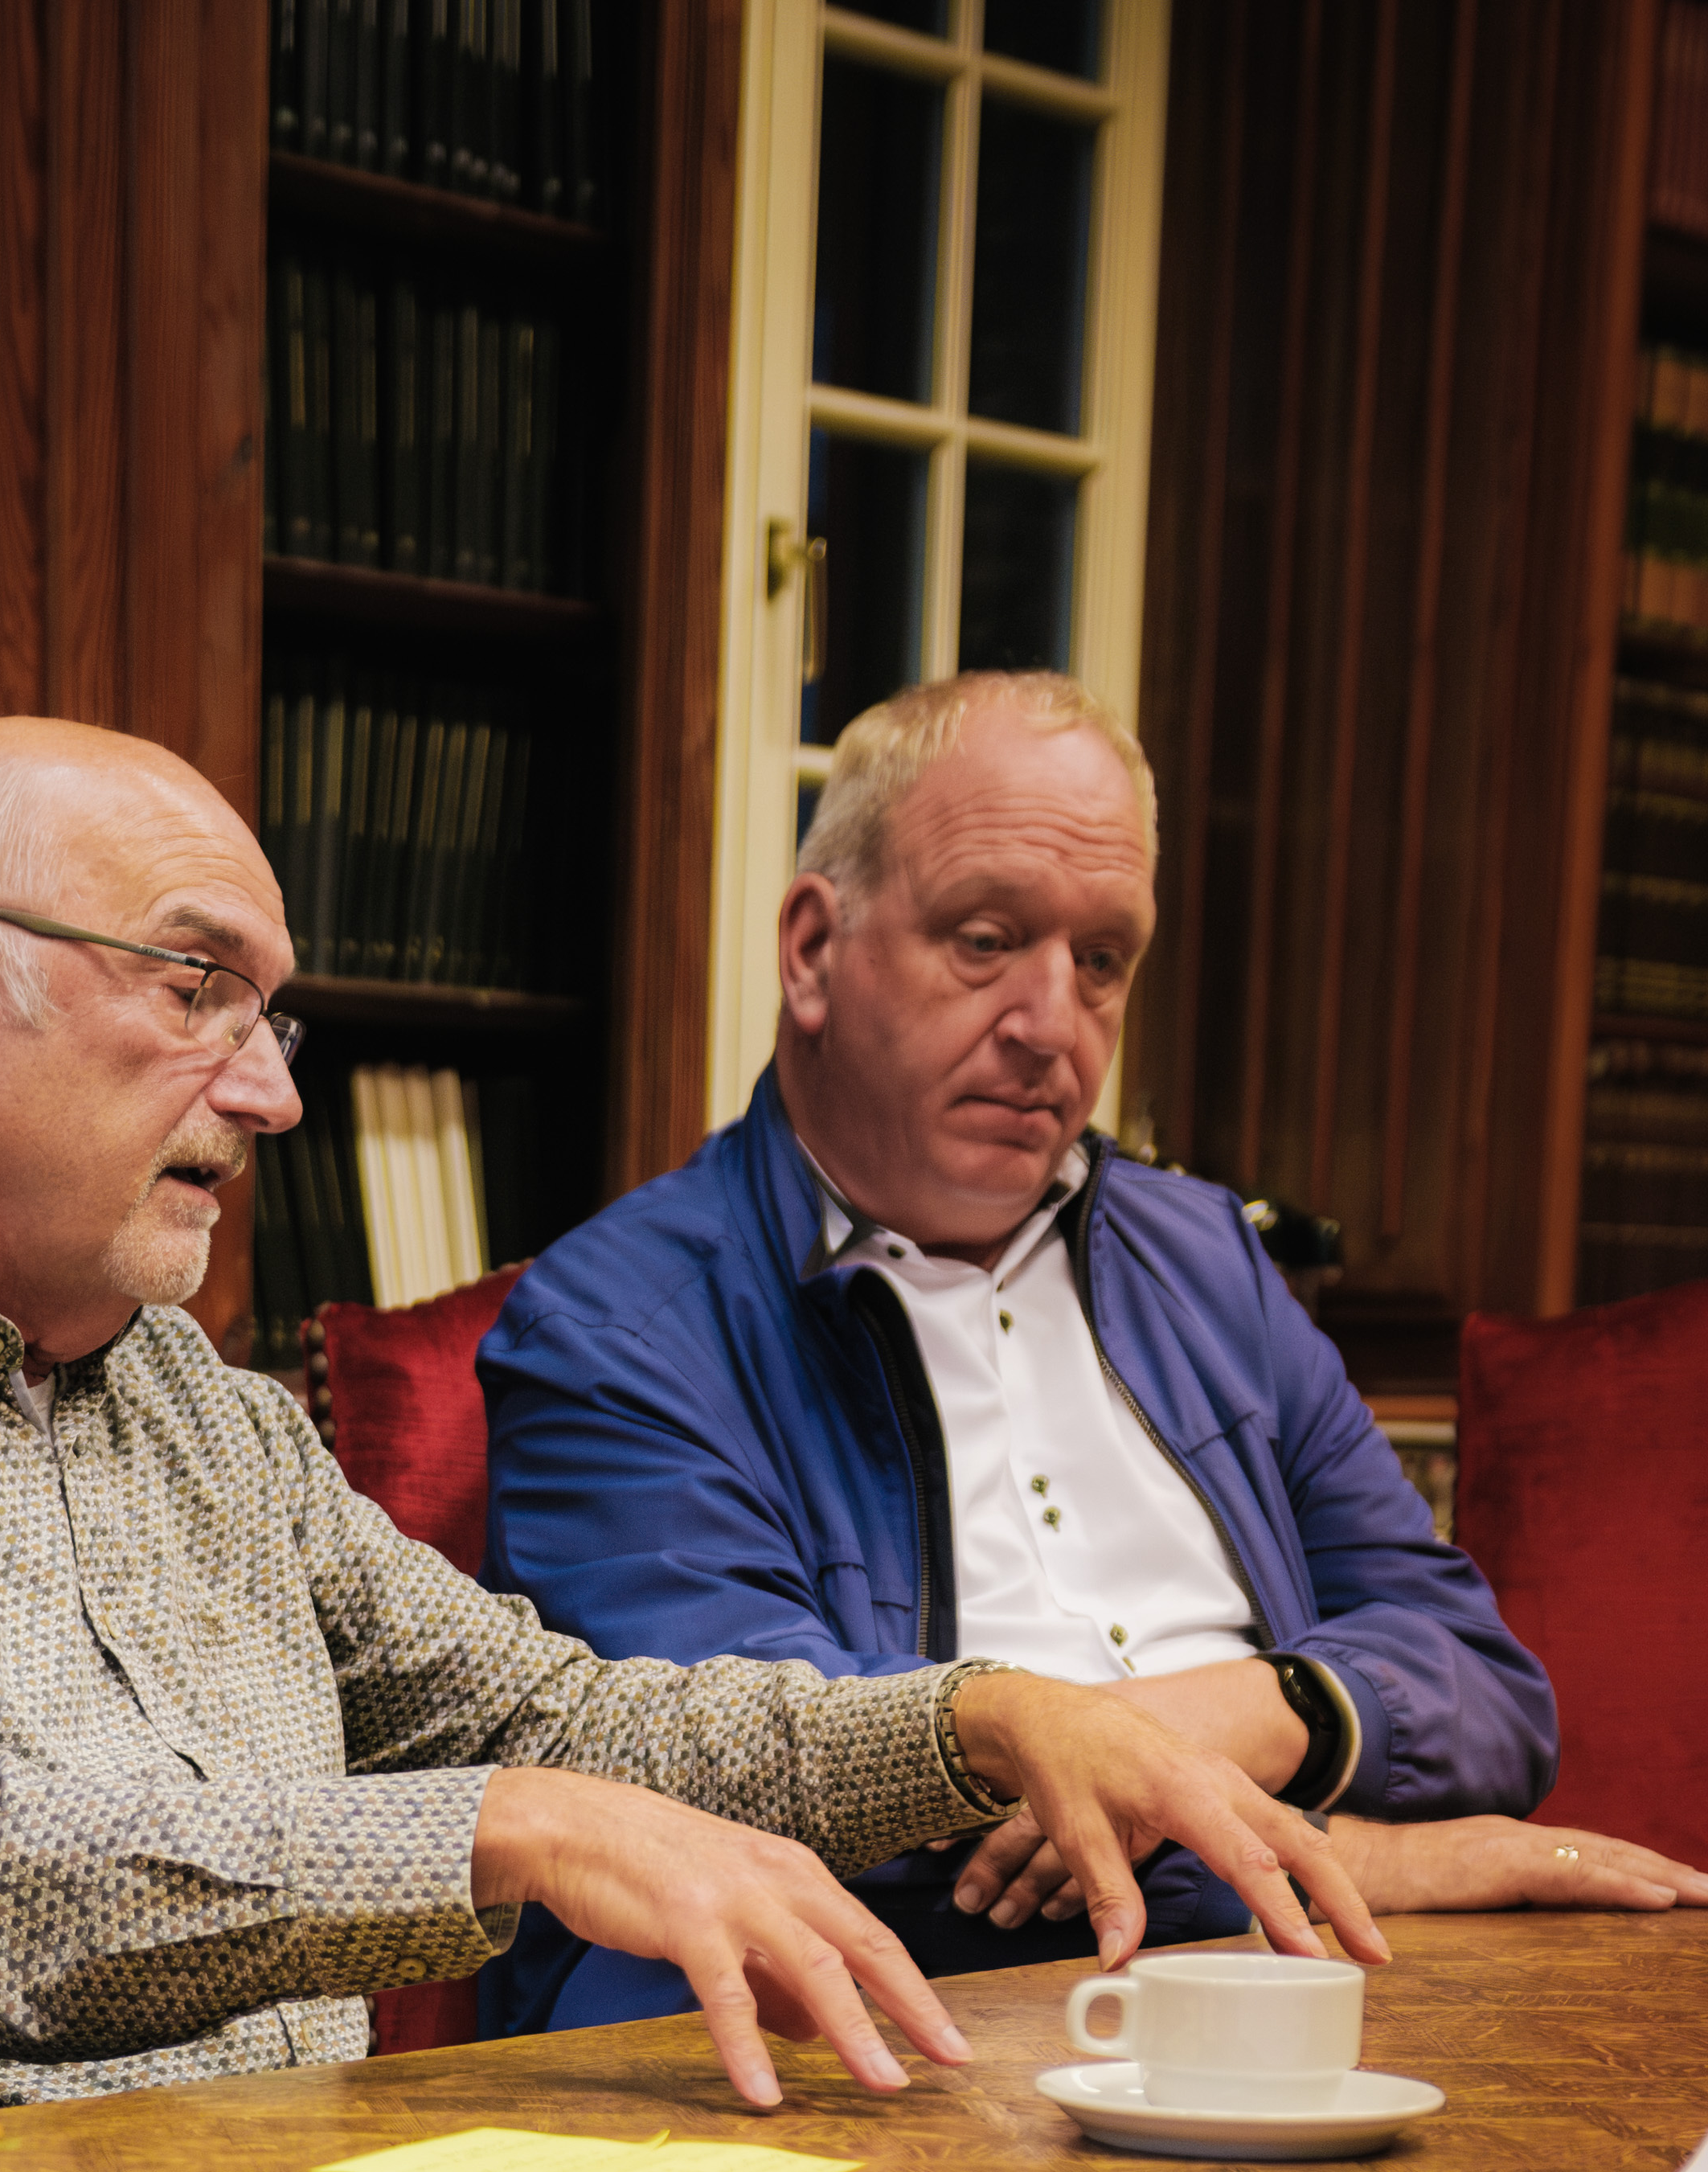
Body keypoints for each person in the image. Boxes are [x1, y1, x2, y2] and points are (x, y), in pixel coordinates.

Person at [0, 714, 1386, 2121]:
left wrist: (975, 1719)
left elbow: (550, 1717)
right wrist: (490, 1832)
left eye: (273, 1019)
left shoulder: (202, 1415)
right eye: (196, 989)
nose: (270, 1095)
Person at [477, 667, 1708, 2039]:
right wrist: (1340, 1863)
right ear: (813, 951)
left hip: (1296, 2010)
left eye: (1102, 959)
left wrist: (1252, 1710)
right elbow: (768, 1785)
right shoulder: (618, 1328)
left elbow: (1483, 1683)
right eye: (985, 940)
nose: (1051, 1025)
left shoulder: (1206, 1263)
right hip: (868, 2045)